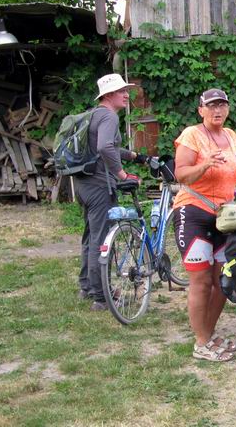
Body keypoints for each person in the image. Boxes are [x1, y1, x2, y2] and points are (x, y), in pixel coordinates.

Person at [173, 88, 236, 362]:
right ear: (201, 109)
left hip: (224, 218)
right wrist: (204, 165)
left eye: (222, 105)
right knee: (201, 281)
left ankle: (208, 334)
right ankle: (201, 342)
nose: (218, 110)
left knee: (222, 281)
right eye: (212, 105)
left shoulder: (231, 136)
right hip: (193, 213)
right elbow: (181, 174)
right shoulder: (192, 135)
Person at [76, 73, 148, 311]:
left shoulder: (93, 115)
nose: (127, 95)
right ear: (108, 95)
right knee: (101, 239)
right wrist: (122, 174)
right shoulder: (109, 117)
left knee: (90, 235)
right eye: (121, 91)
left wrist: (135, 156)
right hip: (99, 186)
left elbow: (110, 147)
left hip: (83, 185)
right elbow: (105, 147)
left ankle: (86, 285)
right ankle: (101, 296)